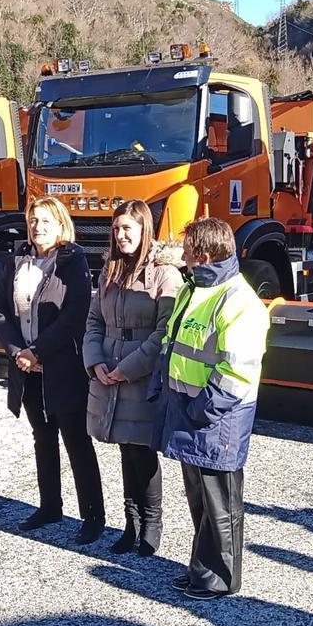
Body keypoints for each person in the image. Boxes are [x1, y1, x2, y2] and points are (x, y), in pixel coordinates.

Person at [152, 217, 269, 600]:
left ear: (202, 255)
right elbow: (174, 344)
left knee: (222, 505)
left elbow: (236, 371)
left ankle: (222, 578)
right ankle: (202, 569)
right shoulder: (195, 289)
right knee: (201, 502)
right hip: (193, 411)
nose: (181, 257)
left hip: (216, 417)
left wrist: (201, 408)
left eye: (186, 251)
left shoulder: (239, 300)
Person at [0, 196, 105, 544]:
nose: (38, 227)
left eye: (45, 221)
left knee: (76, 441)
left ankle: (92, 514)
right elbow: (0, 311)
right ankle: (49, 505)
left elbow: (75, 314)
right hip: (26, 368)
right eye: (33, 220)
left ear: (60, 225)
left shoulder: (72, 260)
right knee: (42, 438)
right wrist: (18, 353)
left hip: (62, 365)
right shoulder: (18, 259)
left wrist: (38, 350)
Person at [83, 200, 182, 556]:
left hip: (140, 375)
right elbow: (94, 320)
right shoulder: (110, 269)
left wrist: (129, 368)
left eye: (128, 228)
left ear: (144, 230)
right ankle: (131, 523)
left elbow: (164, 330)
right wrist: (95, 362)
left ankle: (152, 523)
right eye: (117, 228)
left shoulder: (164, 274)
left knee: (142, 449)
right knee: (125, 449)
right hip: (108, 372)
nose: (121, 235)